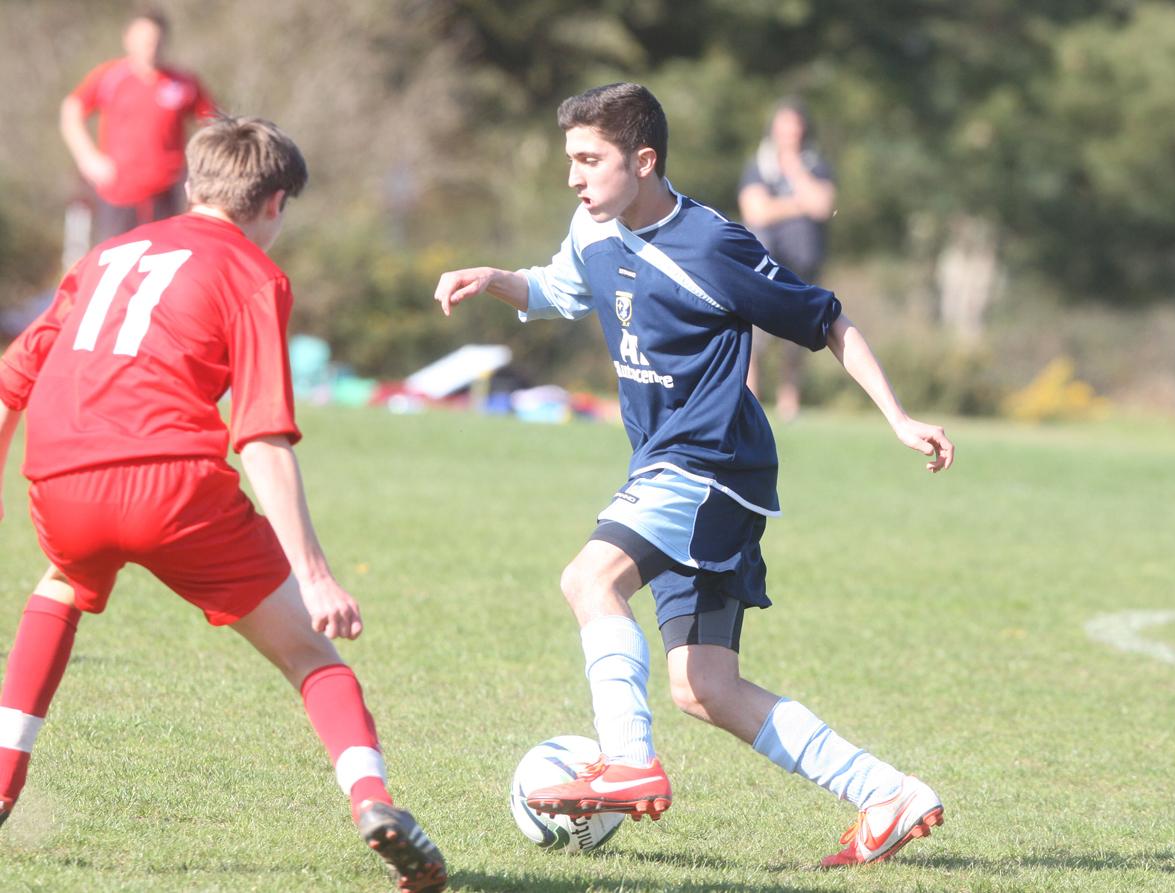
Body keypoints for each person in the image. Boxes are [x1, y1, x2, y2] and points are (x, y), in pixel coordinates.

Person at [434, 83, 953, 869]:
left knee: (589, 579)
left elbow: (826, 318)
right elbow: (555, 288)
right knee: (704, 686)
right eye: (569, 159)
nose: (573, 177)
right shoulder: (594, 229)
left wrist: (899, 417)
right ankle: (888, 792)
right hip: (674, 467)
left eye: (589, 159)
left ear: (643, 161)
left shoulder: (714, 246)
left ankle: (628, 760)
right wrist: (492, 276)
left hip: (709, 463)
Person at [0, 117, 445, 893]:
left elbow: (13, 378)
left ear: (193, 184)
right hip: (172, 485)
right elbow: (263, 433)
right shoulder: (252, 273)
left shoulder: (106, 254)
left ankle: (3, 780)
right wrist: (315, 573)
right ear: (274, 203)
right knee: (311, 655)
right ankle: (374, 802)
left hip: (58, 476)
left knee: (63, 583)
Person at [60, 8, 216, 247]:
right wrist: (89, 159)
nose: (149, 47)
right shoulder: (110, 76)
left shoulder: (182, 82)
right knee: (115, 260)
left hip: (168, 193)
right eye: (143, 40)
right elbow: (71, 110)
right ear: (128, 39)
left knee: (163, 258)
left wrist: (202, 172)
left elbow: (213, 123)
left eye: (155, 41)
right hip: (119, 192)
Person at [738, 98, 836, 421]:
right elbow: (755, 212)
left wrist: (794, 170)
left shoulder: (815, 165)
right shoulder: (758, 167)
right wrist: (799, 204)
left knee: (796, 341)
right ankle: (750, 396)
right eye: (783, 127)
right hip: (763, 267)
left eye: (795, 127)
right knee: (754, 338)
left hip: (803, 265)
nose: (789, 134)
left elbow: (823, 206)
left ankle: (788, 400)